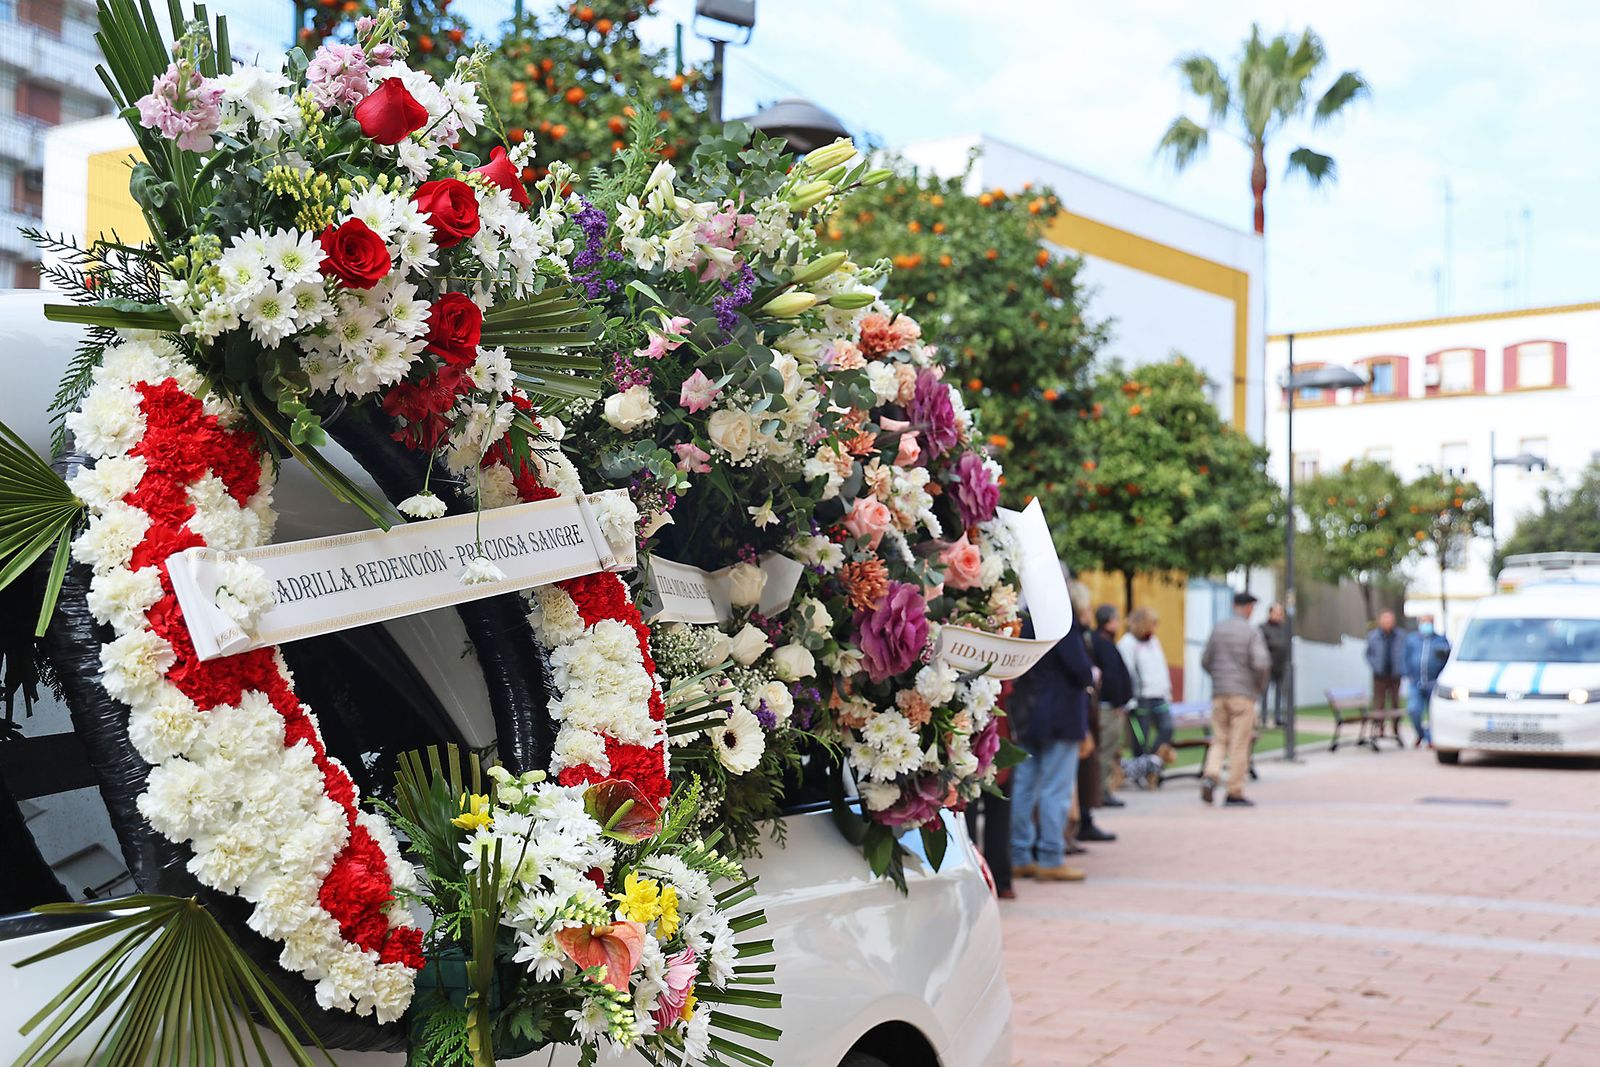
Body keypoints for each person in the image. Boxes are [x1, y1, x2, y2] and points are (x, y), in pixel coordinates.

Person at [1009, 590, 1095, 883]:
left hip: (1027, 711)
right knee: (1055, 790)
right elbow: (1081, 669)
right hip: (1061, 713)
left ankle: (1019, 855)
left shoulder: (1020, 617)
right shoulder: (1059, 619)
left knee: (1023, 786)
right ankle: (1050, 856)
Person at [1200, 591, 1272, 806]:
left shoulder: (1218, 628)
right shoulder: (1251, 632)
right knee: (1239, 744)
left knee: (1219, 739)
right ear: (1248, 608)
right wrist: (1258, 686)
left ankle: (1211, 774)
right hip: (1243, 694)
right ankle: (1234, 791)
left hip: (1219, 693)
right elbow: (1261, 663)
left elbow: (1205, 660)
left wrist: (1219, 678)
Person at [1070, 584, 1116, 845]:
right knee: (1063, 782)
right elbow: (1081, 670)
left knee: (1081, 775)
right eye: (1087, 607)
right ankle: (1056, 845)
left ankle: (1080, 824)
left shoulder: (1082, 635)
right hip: (1072, 717)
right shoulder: (1074, 635)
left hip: (1084, 713)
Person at [965, 682, 1015, 898]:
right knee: (967, 809)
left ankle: (1000, 878)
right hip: (968, 729)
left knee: (999, 807)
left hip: (998, 731)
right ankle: (973, 877)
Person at [1118, 607, 1174, 763]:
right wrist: (1130, 698)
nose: (1155, 627)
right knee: (1141, 736)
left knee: (1167, 728)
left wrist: (1167, 690)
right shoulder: (1127, 643)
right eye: (1153, 623)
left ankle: (1152, 763)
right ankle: (1141, 766)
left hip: (1158, 694)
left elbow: (1161, 666)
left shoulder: (1154, 642)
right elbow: (1127, 671)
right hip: (1141, 698)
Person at [1089, 604, 1132, 806]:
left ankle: (1102, 790)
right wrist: (1118, 702)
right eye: (1117, 619)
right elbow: (1111, 677)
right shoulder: (1103, 643)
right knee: (1105, 750)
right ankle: (1102, 791)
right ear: (1109, 621)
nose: (1119, 623)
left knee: (1107, 750)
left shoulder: (1103, 641)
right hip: (1108, 707)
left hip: (1110, 705)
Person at [1404, 614, 1451, 747]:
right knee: (1414, 710)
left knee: (1433, 713)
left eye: (1429, 622)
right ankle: (1421, 734)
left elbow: (1446, 659)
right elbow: (1405, 658)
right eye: (1424, 622)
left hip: (1433, 683)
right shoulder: (1412, 640)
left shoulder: (1440, 640)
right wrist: (1408, 674)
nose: (1426, 625)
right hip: (1416, 683)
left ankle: (1430, 738)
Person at [1366, 610, 1406, 736]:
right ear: (1380, 622)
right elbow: (1368, 654)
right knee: (1379, 703)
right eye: (1385, 620)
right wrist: (1375, 666)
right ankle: (1379, 728)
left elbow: (1405, 653)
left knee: (1395, 702)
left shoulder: (1400, 636)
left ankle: (1395, 728)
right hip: (1379, 676)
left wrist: (1401, 667)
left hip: (1395, 675)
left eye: (1390, 620)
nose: (1387, 623)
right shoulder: (1373, 636)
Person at [1259, 602, 1291, 727]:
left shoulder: (1284, 629)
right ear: (1271, 613)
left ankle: (1278, 717)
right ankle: (1264, 717)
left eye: (1281, 613)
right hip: (1267, 666)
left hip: (1281, 666)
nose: (1279, 615)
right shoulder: (1263, 628)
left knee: (1280, 693)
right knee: (1264, 693)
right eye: (1277, 612)